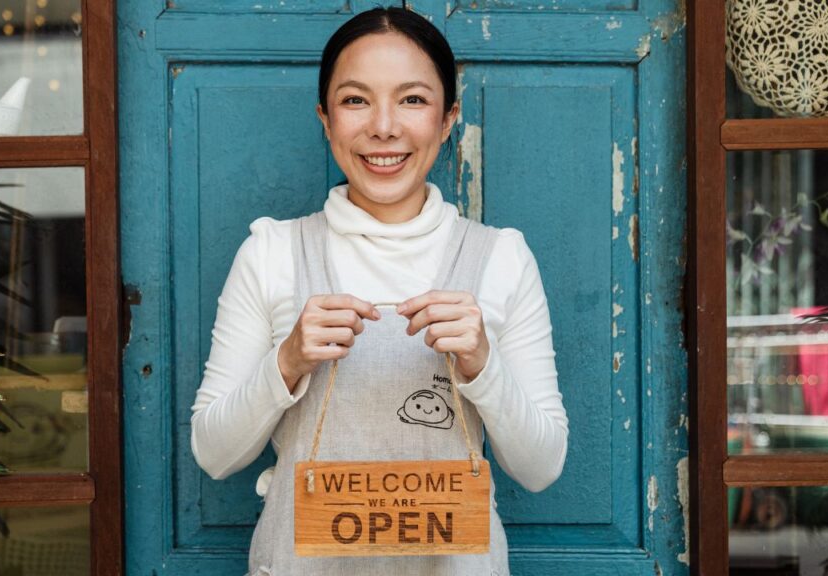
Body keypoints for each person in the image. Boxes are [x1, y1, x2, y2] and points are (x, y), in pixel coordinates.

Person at [189, 7, 568, 575]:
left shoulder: (501, 258)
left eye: (413, 100)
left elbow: (541, 467)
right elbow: (214, 455)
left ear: (448, 119)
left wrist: (483, 363)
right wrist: (287, 360)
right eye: (355, 100)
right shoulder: (271, 253)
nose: (384, 127)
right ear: (325, 118)